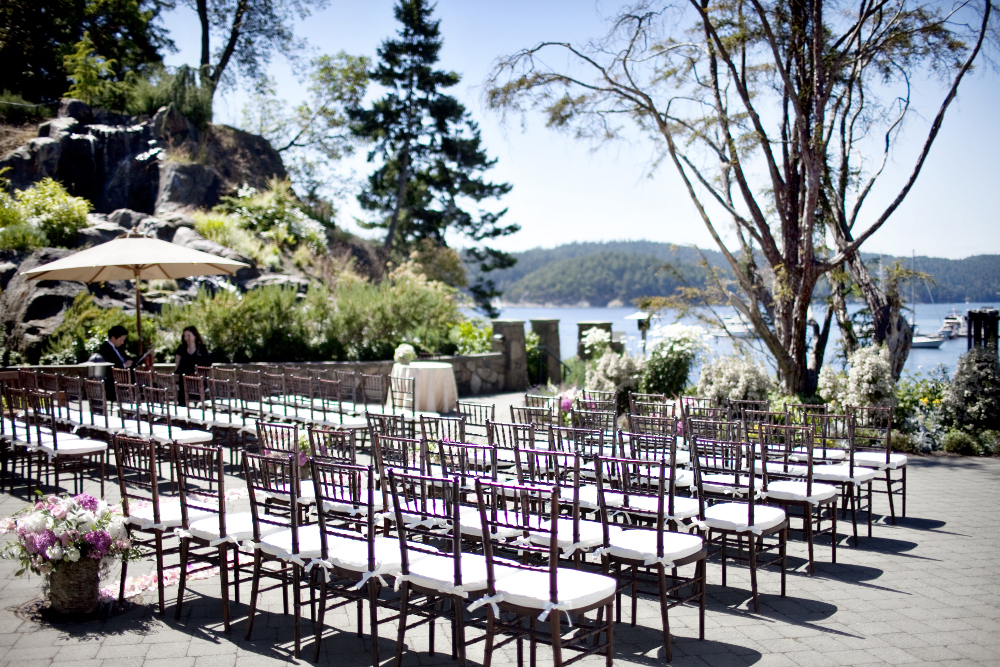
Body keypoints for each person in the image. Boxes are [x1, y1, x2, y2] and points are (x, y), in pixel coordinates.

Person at [174, 326, 211, 404]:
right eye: (185, 336)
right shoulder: (181, 348)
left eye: (188, 335)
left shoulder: (201, 348)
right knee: (182, 387)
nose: (186, 338)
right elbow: (177, 363)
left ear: (194, 336)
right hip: (184, 377)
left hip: (197, 378)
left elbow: (206, 364)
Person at [97, 325, 133, 401]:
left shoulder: (118, 349)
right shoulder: (106, 349)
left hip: (123, 379)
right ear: (113, 338)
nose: (122, 342)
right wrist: (124, 365)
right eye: (121, 340)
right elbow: (110, 367)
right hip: (113, 383)